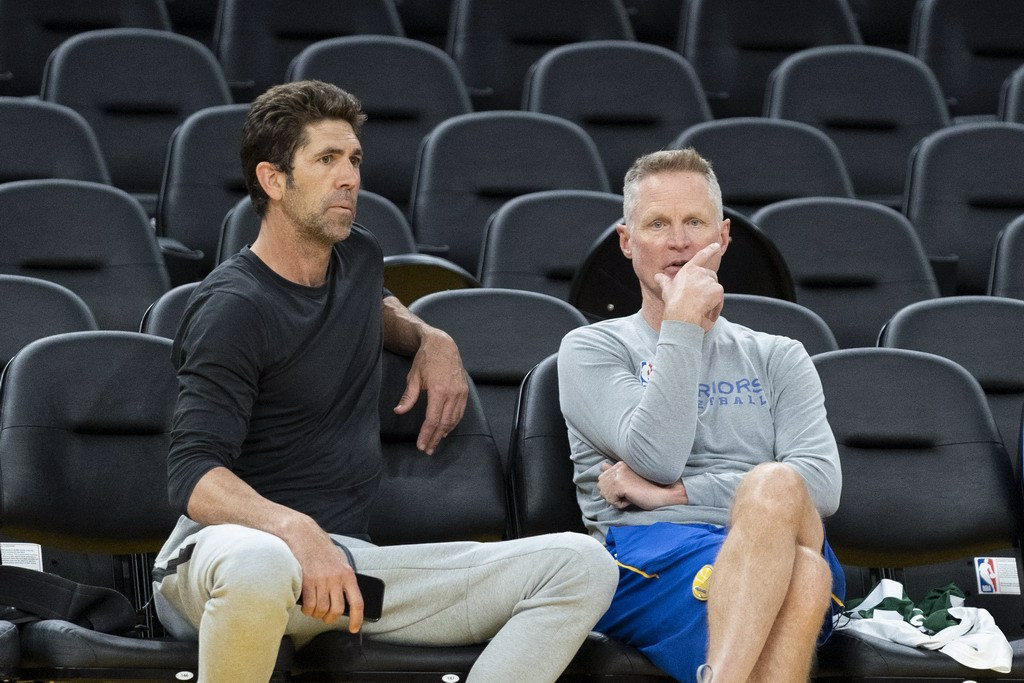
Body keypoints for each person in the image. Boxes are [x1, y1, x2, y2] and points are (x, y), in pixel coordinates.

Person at [152, 80, 618, 683]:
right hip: (224, 558)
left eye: (354, 159)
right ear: (273, 180)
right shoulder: (233, 307)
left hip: (345, 566)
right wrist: (294, 529)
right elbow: (192, 474)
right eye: (326, 159)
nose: (349, 177)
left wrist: (431, 338)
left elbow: (377, 306)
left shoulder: (359, 258)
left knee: (581, 564)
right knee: (262, 563)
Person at [558, 148, 845, 683]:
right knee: (804, 574)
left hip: (772, 538)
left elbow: (822, 488)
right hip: (649, 559)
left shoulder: (779, 355)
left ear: (723, 236)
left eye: (694, 222)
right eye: (657, 224)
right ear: (626, 241)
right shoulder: (591, 349)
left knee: (780, 486)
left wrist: (676, 494)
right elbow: (657, 458)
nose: (679, 241)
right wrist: (683, 326)